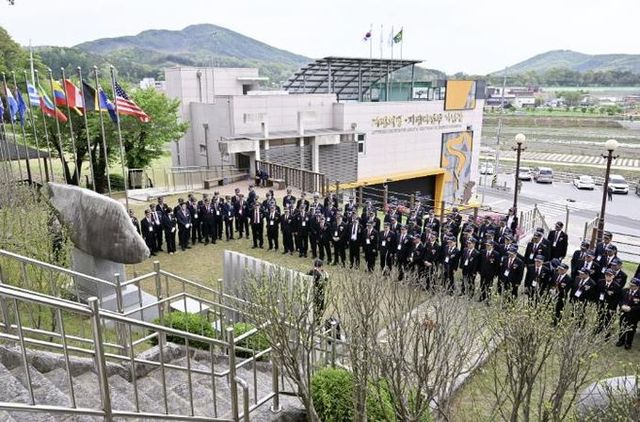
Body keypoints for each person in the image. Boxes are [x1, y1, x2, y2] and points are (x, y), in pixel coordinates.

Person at [596, 269, 622, 338]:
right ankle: (598, 330)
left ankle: (606, 335)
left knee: (608, 320)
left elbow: (616, 299)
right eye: (606, 274)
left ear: (613, 276)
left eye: (610, 275)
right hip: (600, 304)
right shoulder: (600, 282)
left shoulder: (617, 286)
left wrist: (612, 308)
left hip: (610, 306)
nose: (608, 276)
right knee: (599, 318)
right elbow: (597, 293)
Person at [617, 277, 640, 350]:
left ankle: (628, 343)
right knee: (622, 326)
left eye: (633, 286)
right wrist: (622, 305)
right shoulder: (624, 290)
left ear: (637, 286)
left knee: (631, 329)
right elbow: (620, 300)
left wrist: (631, 308)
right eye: (630, 285)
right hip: (623, 312)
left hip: (634, 315)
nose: (631, 286)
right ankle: (621, 340)